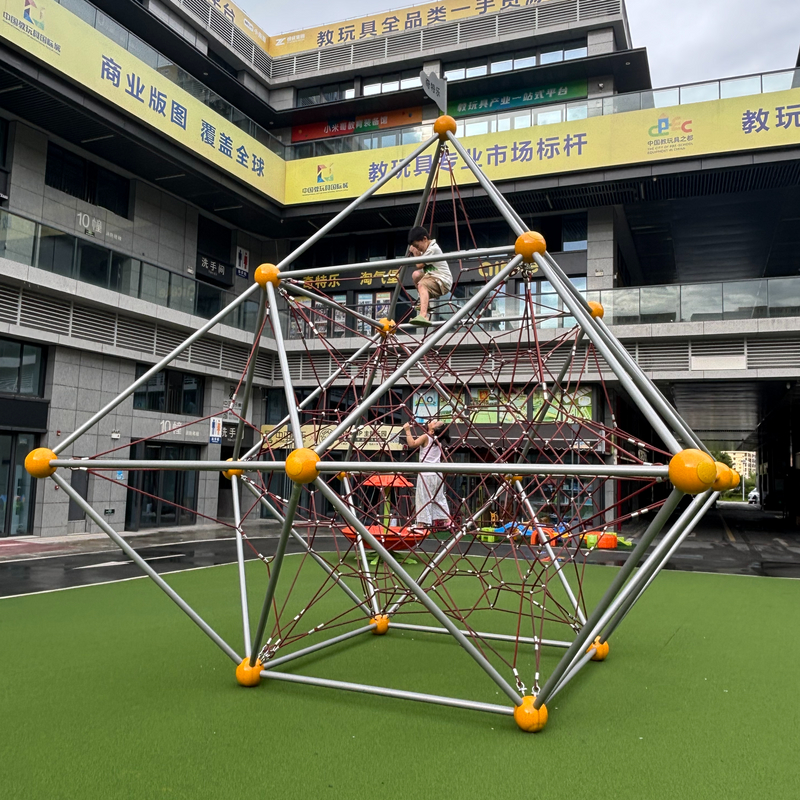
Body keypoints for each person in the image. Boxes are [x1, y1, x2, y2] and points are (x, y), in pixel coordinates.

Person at [403, 419, 451, 530]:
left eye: (435, 423)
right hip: (437, 474)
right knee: (438, 497)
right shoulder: (438, 439)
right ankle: (446, 520)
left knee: (423, 497)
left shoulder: (426, 437)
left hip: (426, 473)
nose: (433, 420)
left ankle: (422, 524)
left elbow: (412, 444)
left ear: (433, 431)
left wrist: (407, 430)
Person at [407, 226, 453, 327]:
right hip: (433, 275)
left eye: (417, 245)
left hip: (442, 280)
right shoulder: (426, 249)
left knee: (422, 285)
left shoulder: (433, 249)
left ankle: (423, 315)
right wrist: (416, 249)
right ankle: (425, 303)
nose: (418, 248)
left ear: (424, 239)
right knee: (416, 275)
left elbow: (419, 264)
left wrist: (415, 252)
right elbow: (419, 266)